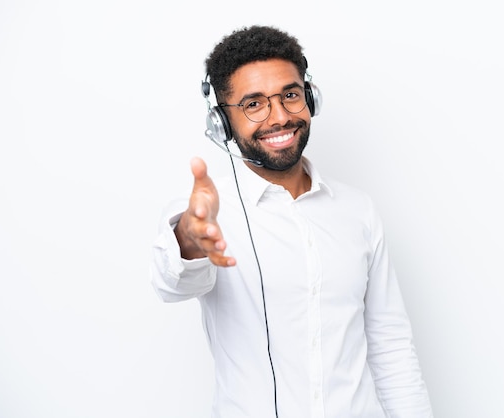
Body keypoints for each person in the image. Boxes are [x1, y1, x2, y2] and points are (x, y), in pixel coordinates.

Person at [151, 25, 433, 418]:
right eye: (253, 104)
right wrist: (190, 242)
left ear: (310, 97)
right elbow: (172, 282)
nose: (280, 117)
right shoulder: (207, 214)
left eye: (290, 95)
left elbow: (391, 347)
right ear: (222, 121)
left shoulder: (358, 210)